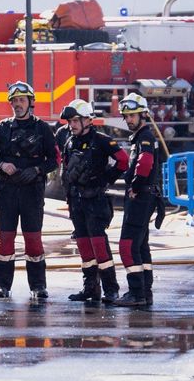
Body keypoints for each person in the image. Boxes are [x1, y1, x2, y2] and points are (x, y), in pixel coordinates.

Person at [0, 81, 60, 299]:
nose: (17, 104)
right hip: (6, 191)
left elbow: (55, 159)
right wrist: (1, 165)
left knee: (33, 239)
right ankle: (2, 285)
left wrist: (36, 170)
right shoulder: (2, 128)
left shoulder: (42, 129)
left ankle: (38, 286)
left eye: (21, 100)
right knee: (5, 239)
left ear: (30, 102)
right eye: (14, 101)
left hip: (32, 192)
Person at [60, 99, 128, 303]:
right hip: (77, 202)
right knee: (83, 245)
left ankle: (111, 289)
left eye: (74, 121)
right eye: (70, 121)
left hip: (95, 202)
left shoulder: (102, 141)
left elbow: (123, 160)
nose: (71, 125)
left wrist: (107, 178)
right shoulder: (70, 141)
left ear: (87, 120)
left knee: (99, 244)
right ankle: (90, 288)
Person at [114, 93, 160, 307]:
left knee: (127, 245)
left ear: (143, 115)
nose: (129, 119)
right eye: (126, 116)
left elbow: (145, 162)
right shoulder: (141, 137)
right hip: (146, 197)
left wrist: (136, 186)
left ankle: (136, 293)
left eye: (132, 115)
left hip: (141, 197)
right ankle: (145, 291)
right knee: (141, 246)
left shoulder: (145, 137)